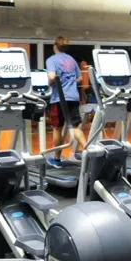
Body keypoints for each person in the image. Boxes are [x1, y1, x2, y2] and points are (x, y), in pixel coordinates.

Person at [45, 36, 88, 168]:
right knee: (74, 127)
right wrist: (70, 82)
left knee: (57, 128)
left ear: (55, 46)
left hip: (59, 98)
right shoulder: (71, 60)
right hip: (73, 97)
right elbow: (80, 78)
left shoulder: (51, 60)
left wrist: (50, 83)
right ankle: (89, 153)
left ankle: (57, 159)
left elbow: (52, 76)